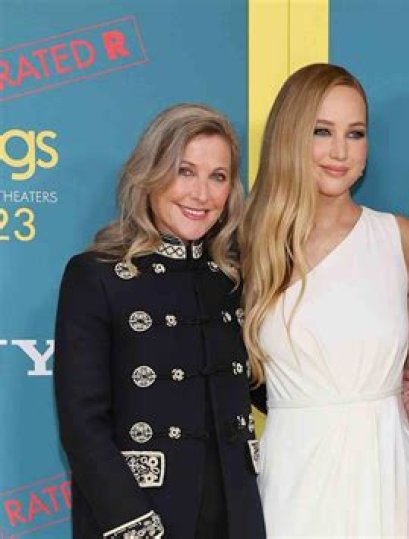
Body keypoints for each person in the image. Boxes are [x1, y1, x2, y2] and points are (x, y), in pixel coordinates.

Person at [54, 103, 265, 538]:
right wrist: (135, 525)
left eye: (218, 176)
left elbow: (270, 389)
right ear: (151, 173)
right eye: (185, 171)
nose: (201, 194)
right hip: (138, 515)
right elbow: (82, 424)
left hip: (233, 515)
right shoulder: (96, 275)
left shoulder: (234, 278)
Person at [242, 63, 409, 537]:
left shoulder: (399, 239)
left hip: (386, 477)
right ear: (290, 136)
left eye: (355, 133)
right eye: (322, 131)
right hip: (294, 479)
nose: (340, 151)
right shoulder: (249, 246)